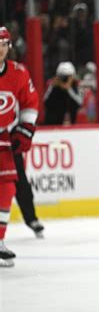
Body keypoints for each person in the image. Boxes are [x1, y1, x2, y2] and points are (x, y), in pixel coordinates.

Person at [0, 26, 39, 266]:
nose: (0, 49)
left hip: (4, 137)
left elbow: (29, 103)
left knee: (7, 187)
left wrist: (25, 128)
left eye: (4, 44)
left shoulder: (18, 72)